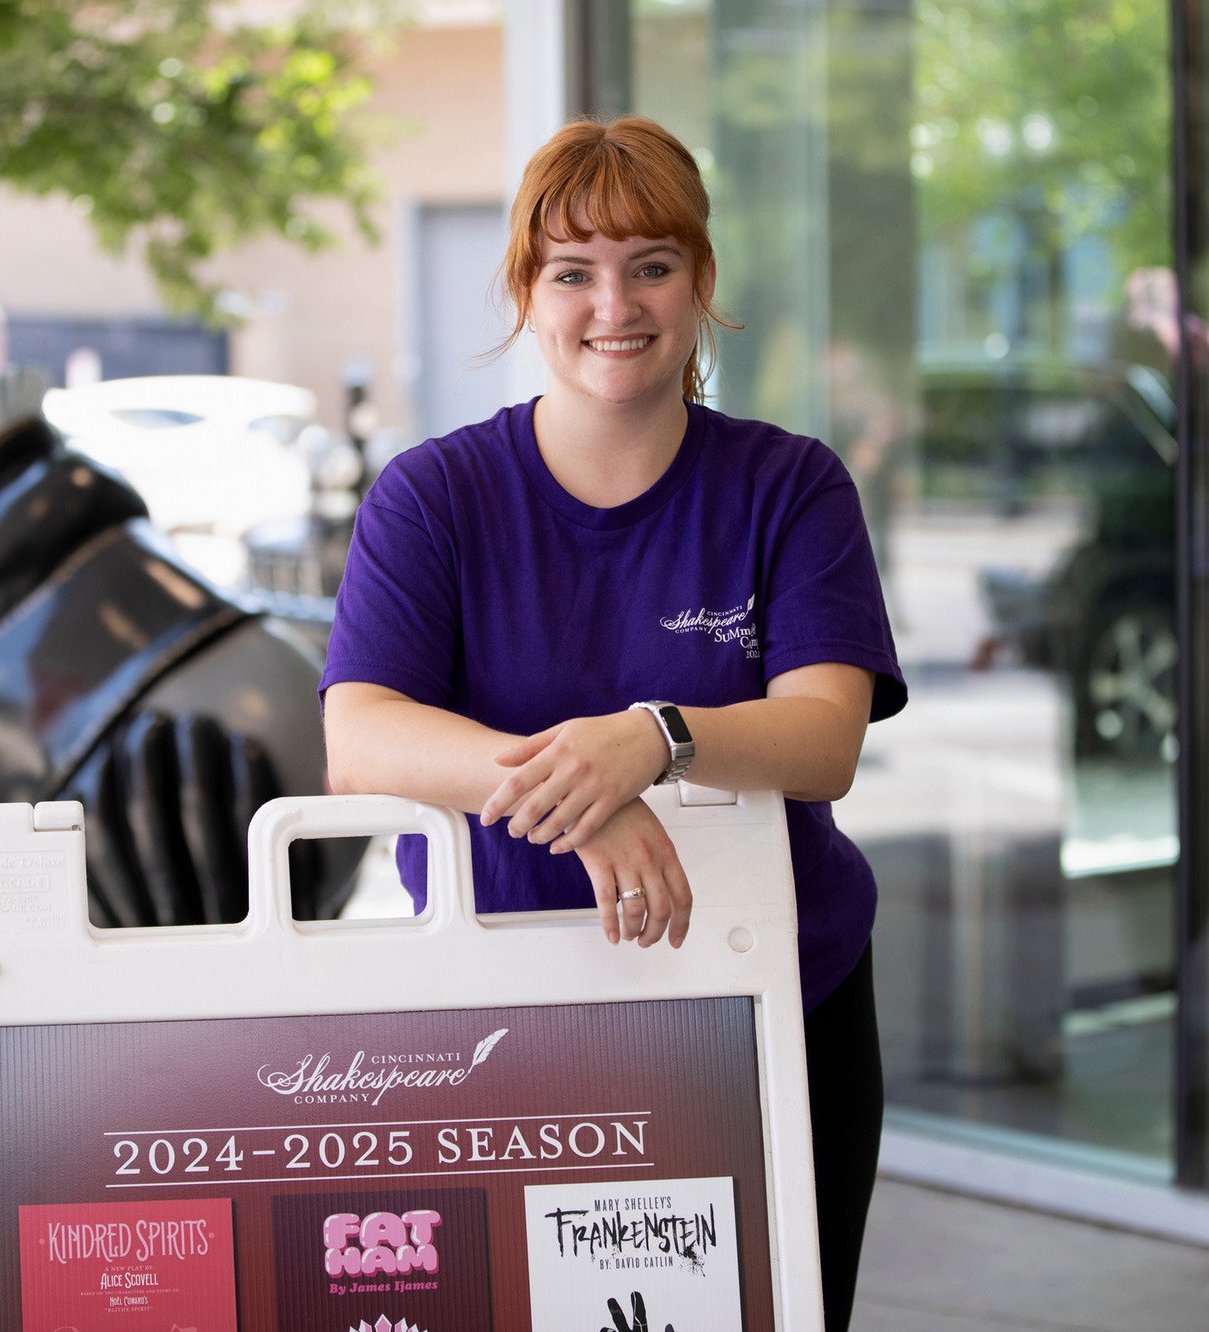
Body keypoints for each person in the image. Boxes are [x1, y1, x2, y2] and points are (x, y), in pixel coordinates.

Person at [320, 116, 907, 1325]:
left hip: (772, 1009)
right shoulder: (433, 497)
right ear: (526, 292)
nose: (613, 305)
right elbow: (360, 739)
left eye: (650, 264)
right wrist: (579, 802)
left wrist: (650, 736)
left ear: (698, 280)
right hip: (502, 1019)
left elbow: (822, 738)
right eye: (572, 271)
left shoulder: (788, 487)